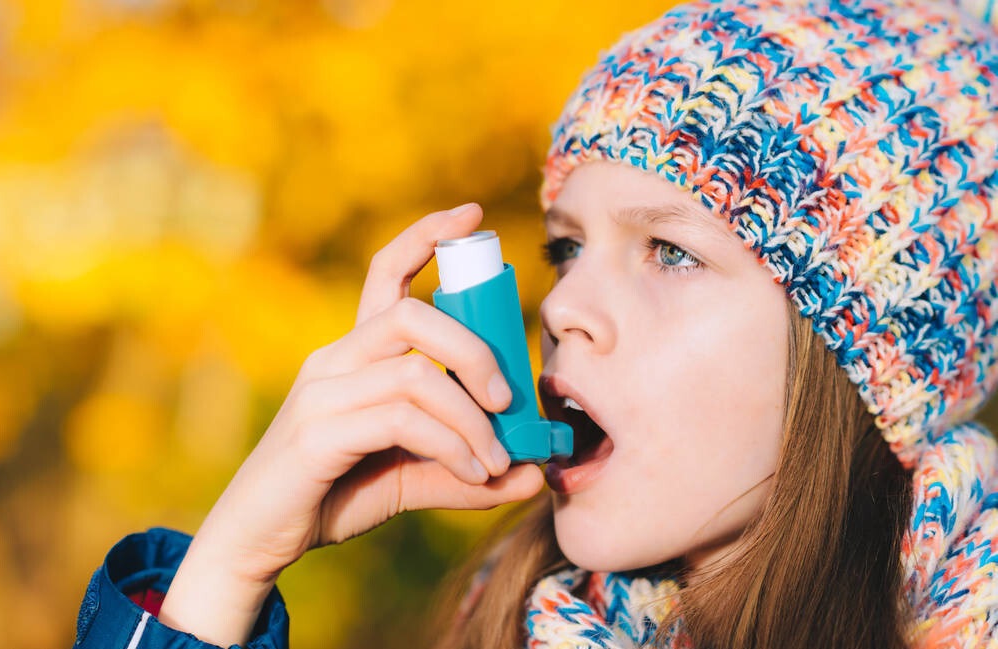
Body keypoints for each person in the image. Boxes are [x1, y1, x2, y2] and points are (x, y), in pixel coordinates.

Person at [73, 0, 998, 647]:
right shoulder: (511, 619)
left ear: (877, 359)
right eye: (566, 248)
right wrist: (226, 575)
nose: (557, 308)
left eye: (670, 251)